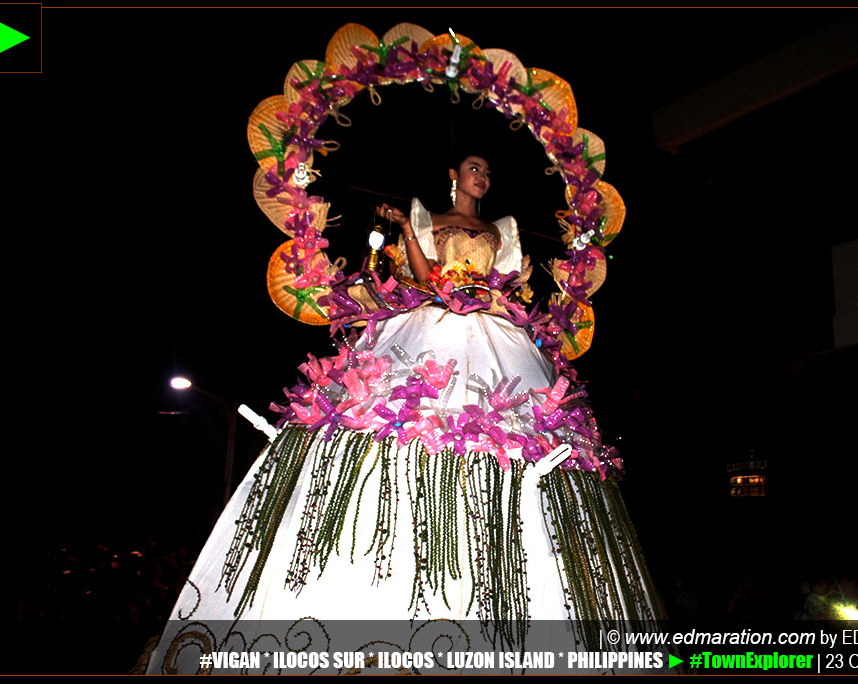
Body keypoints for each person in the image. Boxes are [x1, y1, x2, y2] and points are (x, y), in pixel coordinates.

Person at [145, 153, 664, 675]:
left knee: (513, 431)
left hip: (496, 334)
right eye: (473, 167)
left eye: (487, 169)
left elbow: (506, 282)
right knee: (401, 417)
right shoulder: (425, 217)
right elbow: (422, 275)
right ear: (453, 176)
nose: (482, 175)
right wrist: (411, 238)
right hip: (429, 322)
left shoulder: (502, 228)